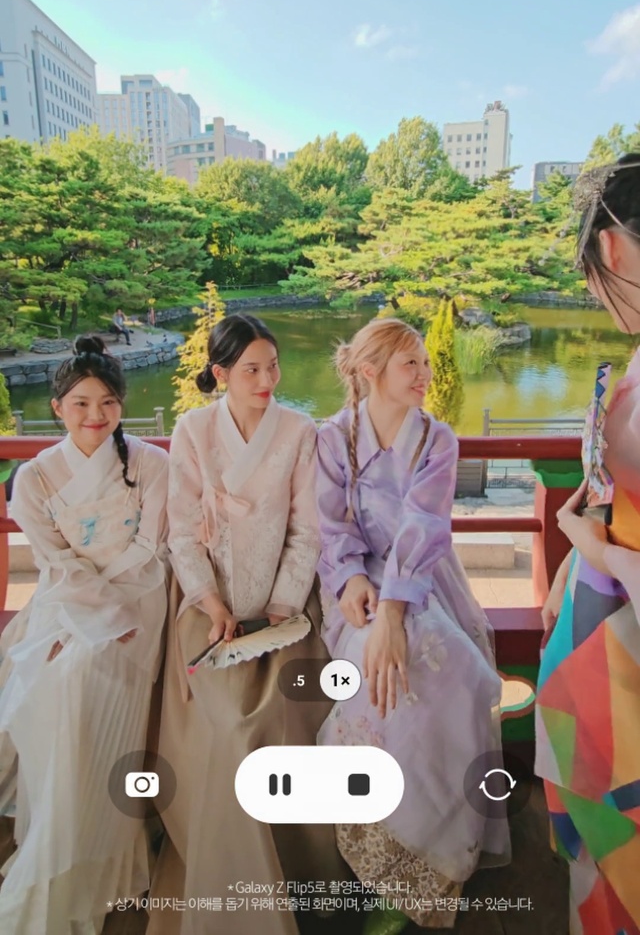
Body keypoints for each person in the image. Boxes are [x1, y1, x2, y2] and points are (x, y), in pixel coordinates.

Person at [150, 314, 346, 935]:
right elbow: (182, 531)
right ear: (221, 374)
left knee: (267, 716)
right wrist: (211, 603)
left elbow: (308, 530)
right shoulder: (192, 430)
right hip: (210, 610)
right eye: (252, 368)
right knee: (227, 723)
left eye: (274, 365)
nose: (268, 379)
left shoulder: (297, 430)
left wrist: (283, 606)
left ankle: (296, 868)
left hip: (283, 612)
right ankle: (230, 877)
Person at [315, 317, 510, 933]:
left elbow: (424, 528)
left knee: (457, 674)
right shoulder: (334, 437)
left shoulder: (437, 439)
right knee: (368, 679)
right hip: (358, 586)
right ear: (370, 372)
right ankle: (378, 849)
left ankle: (437, 854)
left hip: (421, 579)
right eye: (411, 365)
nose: (426, 375)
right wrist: (351, 582)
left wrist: (396, 612)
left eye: (425, 361)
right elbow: (333, 526)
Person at [0, 336, 168, 934]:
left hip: (141, 603)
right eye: (79, 403)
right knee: (54, 685)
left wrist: (120, 616)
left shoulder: (152, 464)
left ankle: (104, 851)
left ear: (122, 405)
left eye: (106, 402)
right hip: (68, 603)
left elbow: (151, 548)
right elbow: (58, 565)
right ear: (57, 407)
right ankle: (60, 840)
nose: (94, 415)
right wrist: (98, 616)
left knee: (82, 680)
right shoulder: (35, 477)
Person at [536, 154, 640, 935]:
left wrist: (583, 543)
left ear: (611, 248)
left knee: (618, 855)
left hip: (622, 650)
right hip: (604, 623)